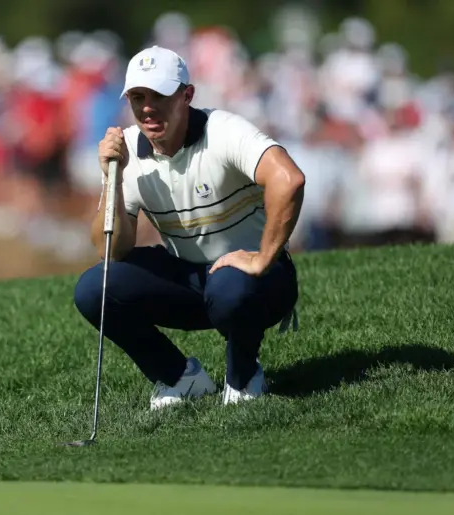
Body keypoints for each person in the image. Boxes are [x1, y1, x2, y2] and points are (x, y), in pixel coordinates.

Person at [73, 46, 305, 410]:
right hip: (192, 279)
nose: (147, 107)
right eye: (137, 97)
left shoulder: (223, 130)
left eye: (160, 96)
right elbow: (111, 250)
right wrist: (112, 179)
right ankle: (181, 378)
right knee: (94, 288)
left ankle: (244, 377)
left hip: (259, 282)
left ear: (187, 95)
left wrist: (262, 258)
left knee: (230, 285)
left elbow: (288, 179)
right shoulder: (128, 152)